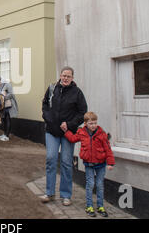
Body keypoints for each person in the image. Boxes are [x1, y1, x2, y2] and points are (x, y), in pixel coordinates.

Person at [40, 66, 88, 206]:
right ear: (60, 76)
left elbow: (82, 112)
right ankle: (49, 193)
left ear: (72, 78)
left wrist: (70, 124)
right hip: (52, 131)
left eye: (68, 76)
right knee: (50, 159)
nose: (65, 78)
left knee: (66, 163)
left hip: (68, 133)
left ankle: (66, 195)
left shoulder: (77, 93)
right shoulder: (51, 89)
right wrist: (49, 119)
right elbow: (44, 105)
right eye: (64, 75)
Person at [64, 112, 115, 217]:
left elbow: (108, 149)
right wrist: (66, 131)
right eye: (91, 123)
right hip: (89, 164)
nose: (93, 125)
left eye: (95, 123)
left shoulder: (101, 134)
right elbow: (73, 139)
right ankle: (89, 206)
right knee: (90, 184)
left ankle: (100, 206)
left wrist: (110, 163)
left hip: (101, 164)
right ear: (85, 123)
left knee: (100, 185)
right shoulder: (82, 133)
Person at [0, 76, 18, 141]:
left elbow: (11, 94)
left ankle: (7, 136)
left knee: (8, 119)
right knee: (4, 119)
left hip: (9, 106)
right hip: (2, 106)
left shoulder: (8, 84)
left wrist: (3, 97)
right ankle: (4, 134)